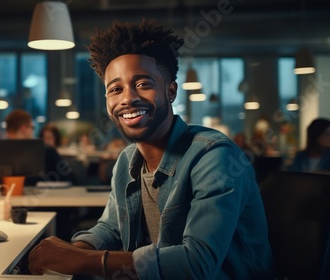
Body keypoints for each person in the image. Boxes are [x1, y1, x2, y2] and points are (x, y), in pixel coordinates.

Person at [28, 19, 275, 279]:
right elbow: (111, 228)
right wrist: (71, 251)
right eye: (115, 89)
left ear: (170, 91)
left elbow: (197, 264)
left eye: (143, 84)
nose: (127, 98)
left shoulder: (214, 156)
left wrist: (80, 260)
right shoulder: (127, 160)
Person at [5, 109, 73, 183]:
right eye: (32, 127)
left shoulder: (0, 153)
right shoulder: (47, 152)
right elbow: (68, 179)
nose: (32, 131)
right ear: (23, 129)